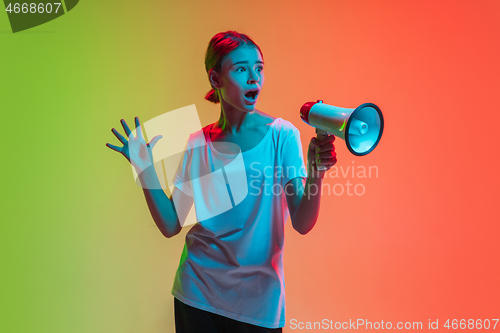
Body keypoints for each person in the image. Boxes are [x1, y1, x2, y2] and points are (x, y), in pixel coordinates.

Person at [106, 31, 337, 333]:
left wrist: (317, 173)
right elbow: (171, 224)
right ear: (215, 79)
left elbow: (303, 223)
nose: (254, 77)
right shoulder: (197, 143)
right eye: (241, 69)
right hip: (197, 294)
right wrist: (144, 168)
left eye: (259, 67)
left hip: (259, 303)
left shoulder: (283, 135)